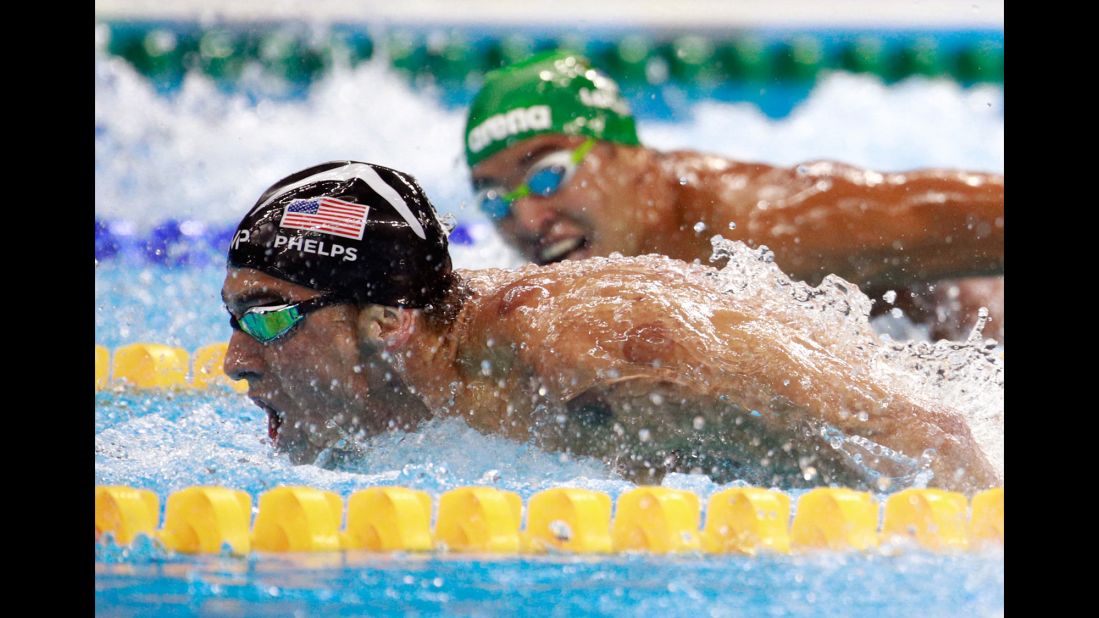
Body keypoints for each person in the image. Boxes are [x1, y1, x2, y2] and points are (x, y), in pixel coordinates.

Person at [223, 161, 1001, 492]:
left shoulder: (574, 346)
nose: (235, 362)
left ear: (387, 320)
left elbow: (918, 439)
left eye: (267, 318)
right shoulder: (431, 362)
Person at [464, 51, 1004, 342]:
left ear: (630, 156)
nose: (527, 217)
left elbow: (967, 216)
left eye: (547, 175)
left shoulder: (760, 221)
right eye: (494, 199)